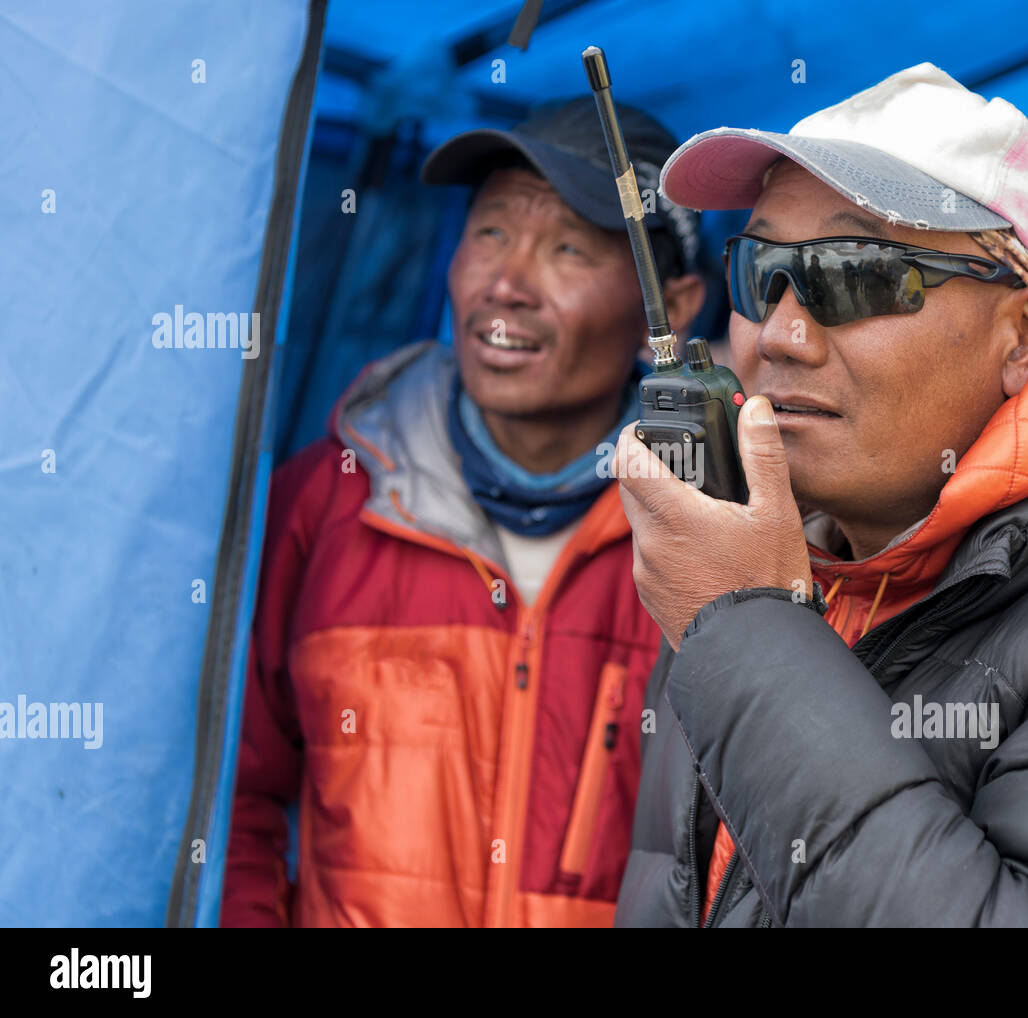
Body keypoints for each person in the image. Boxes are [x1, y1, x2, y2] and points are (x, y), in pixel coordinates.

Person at [611, 63, 1028, 927]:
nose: (781, 334)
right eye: (762, 274)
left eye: (853, 274)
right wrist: (743, 620)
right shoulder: (754, 572)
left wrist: (746, 632)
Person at [219, 97, 705, 927]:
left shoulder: (710, 541)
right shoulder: (329, 498)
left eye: (567, 248)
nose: (507, 284)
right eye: (490, 233)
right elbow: (233, 797)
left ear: (675, 308)